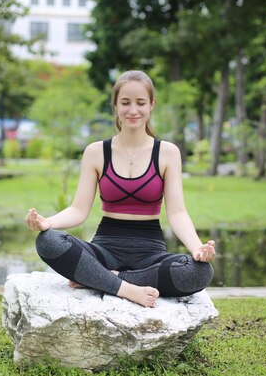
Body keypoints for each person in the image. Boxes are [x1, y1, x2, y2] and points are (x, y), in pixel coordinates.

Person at [25, 70, 215, 308]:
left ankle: (103, 279)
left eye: (140, 103)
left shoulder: (167, 152)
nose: (133, 110)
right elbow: (78, 209)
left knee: (200, 272)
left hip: (151, 253)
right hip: (104, 250)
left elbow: (177, 213)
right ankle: (126, 289)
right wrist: (48, 223)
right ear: (115, 105)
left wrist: (197, 247)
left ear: (152, 105)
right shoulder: (96, 152)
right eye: (125, 103)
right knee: (48, 241)